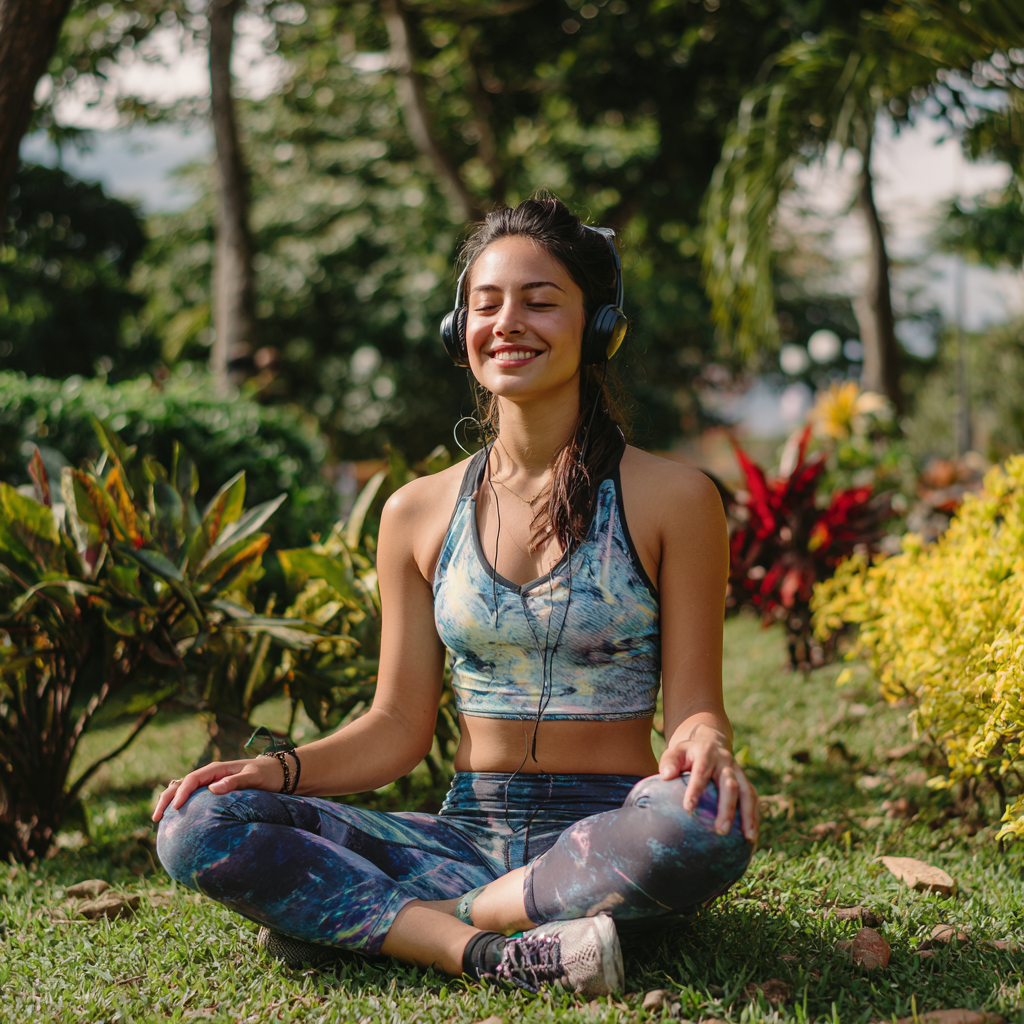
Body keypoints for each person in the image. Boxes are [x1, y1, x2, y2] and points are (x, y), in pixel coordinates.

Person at [154, 196, 759, 999]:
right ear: (458, 330)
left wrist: (707, 741)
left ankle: (405, 922)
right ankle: (485, 951)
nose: (509, 323)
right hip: (459, 834)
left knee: (703, 820)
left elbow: (693, 706)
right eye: (487, 304)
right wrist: (273, 771)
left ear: (599, 328)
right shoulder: (416, 510)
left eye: (541, 302)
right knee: (197, 824)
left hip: (604, 833)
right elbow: (397, 728)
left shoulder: (674, 498)